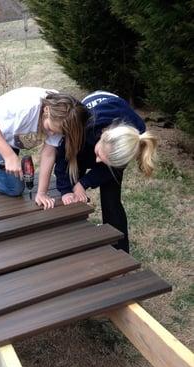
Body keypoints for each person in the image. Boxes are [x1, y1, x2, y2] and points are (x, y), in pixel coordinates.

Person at [54, 91, 157, 253]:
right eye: (98, 155)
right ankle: (73, 244)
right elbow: (62, 159)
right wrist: (68, 189)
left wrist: (85, 182)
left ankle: (120, 253)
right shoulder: (82, 126)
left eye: (104, 160)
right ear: (103, 136)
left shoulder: (131, 142)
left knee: (112, 202)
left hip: (108, 144)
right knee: (72, 196)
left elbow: (108, 169)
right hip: (85, 136)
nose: (96, 162)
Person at [0, 87, 88, 209]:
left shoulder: (64, 116)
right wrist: (9, 157)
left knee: (11, 176)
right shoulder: (25, 108)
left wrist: (42, 193)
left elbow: (49, 154)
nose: (51, 135)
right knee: (14, 187)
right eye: (49, 129)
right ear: (46, 110)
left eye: (56, 133)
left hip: (10, 138)